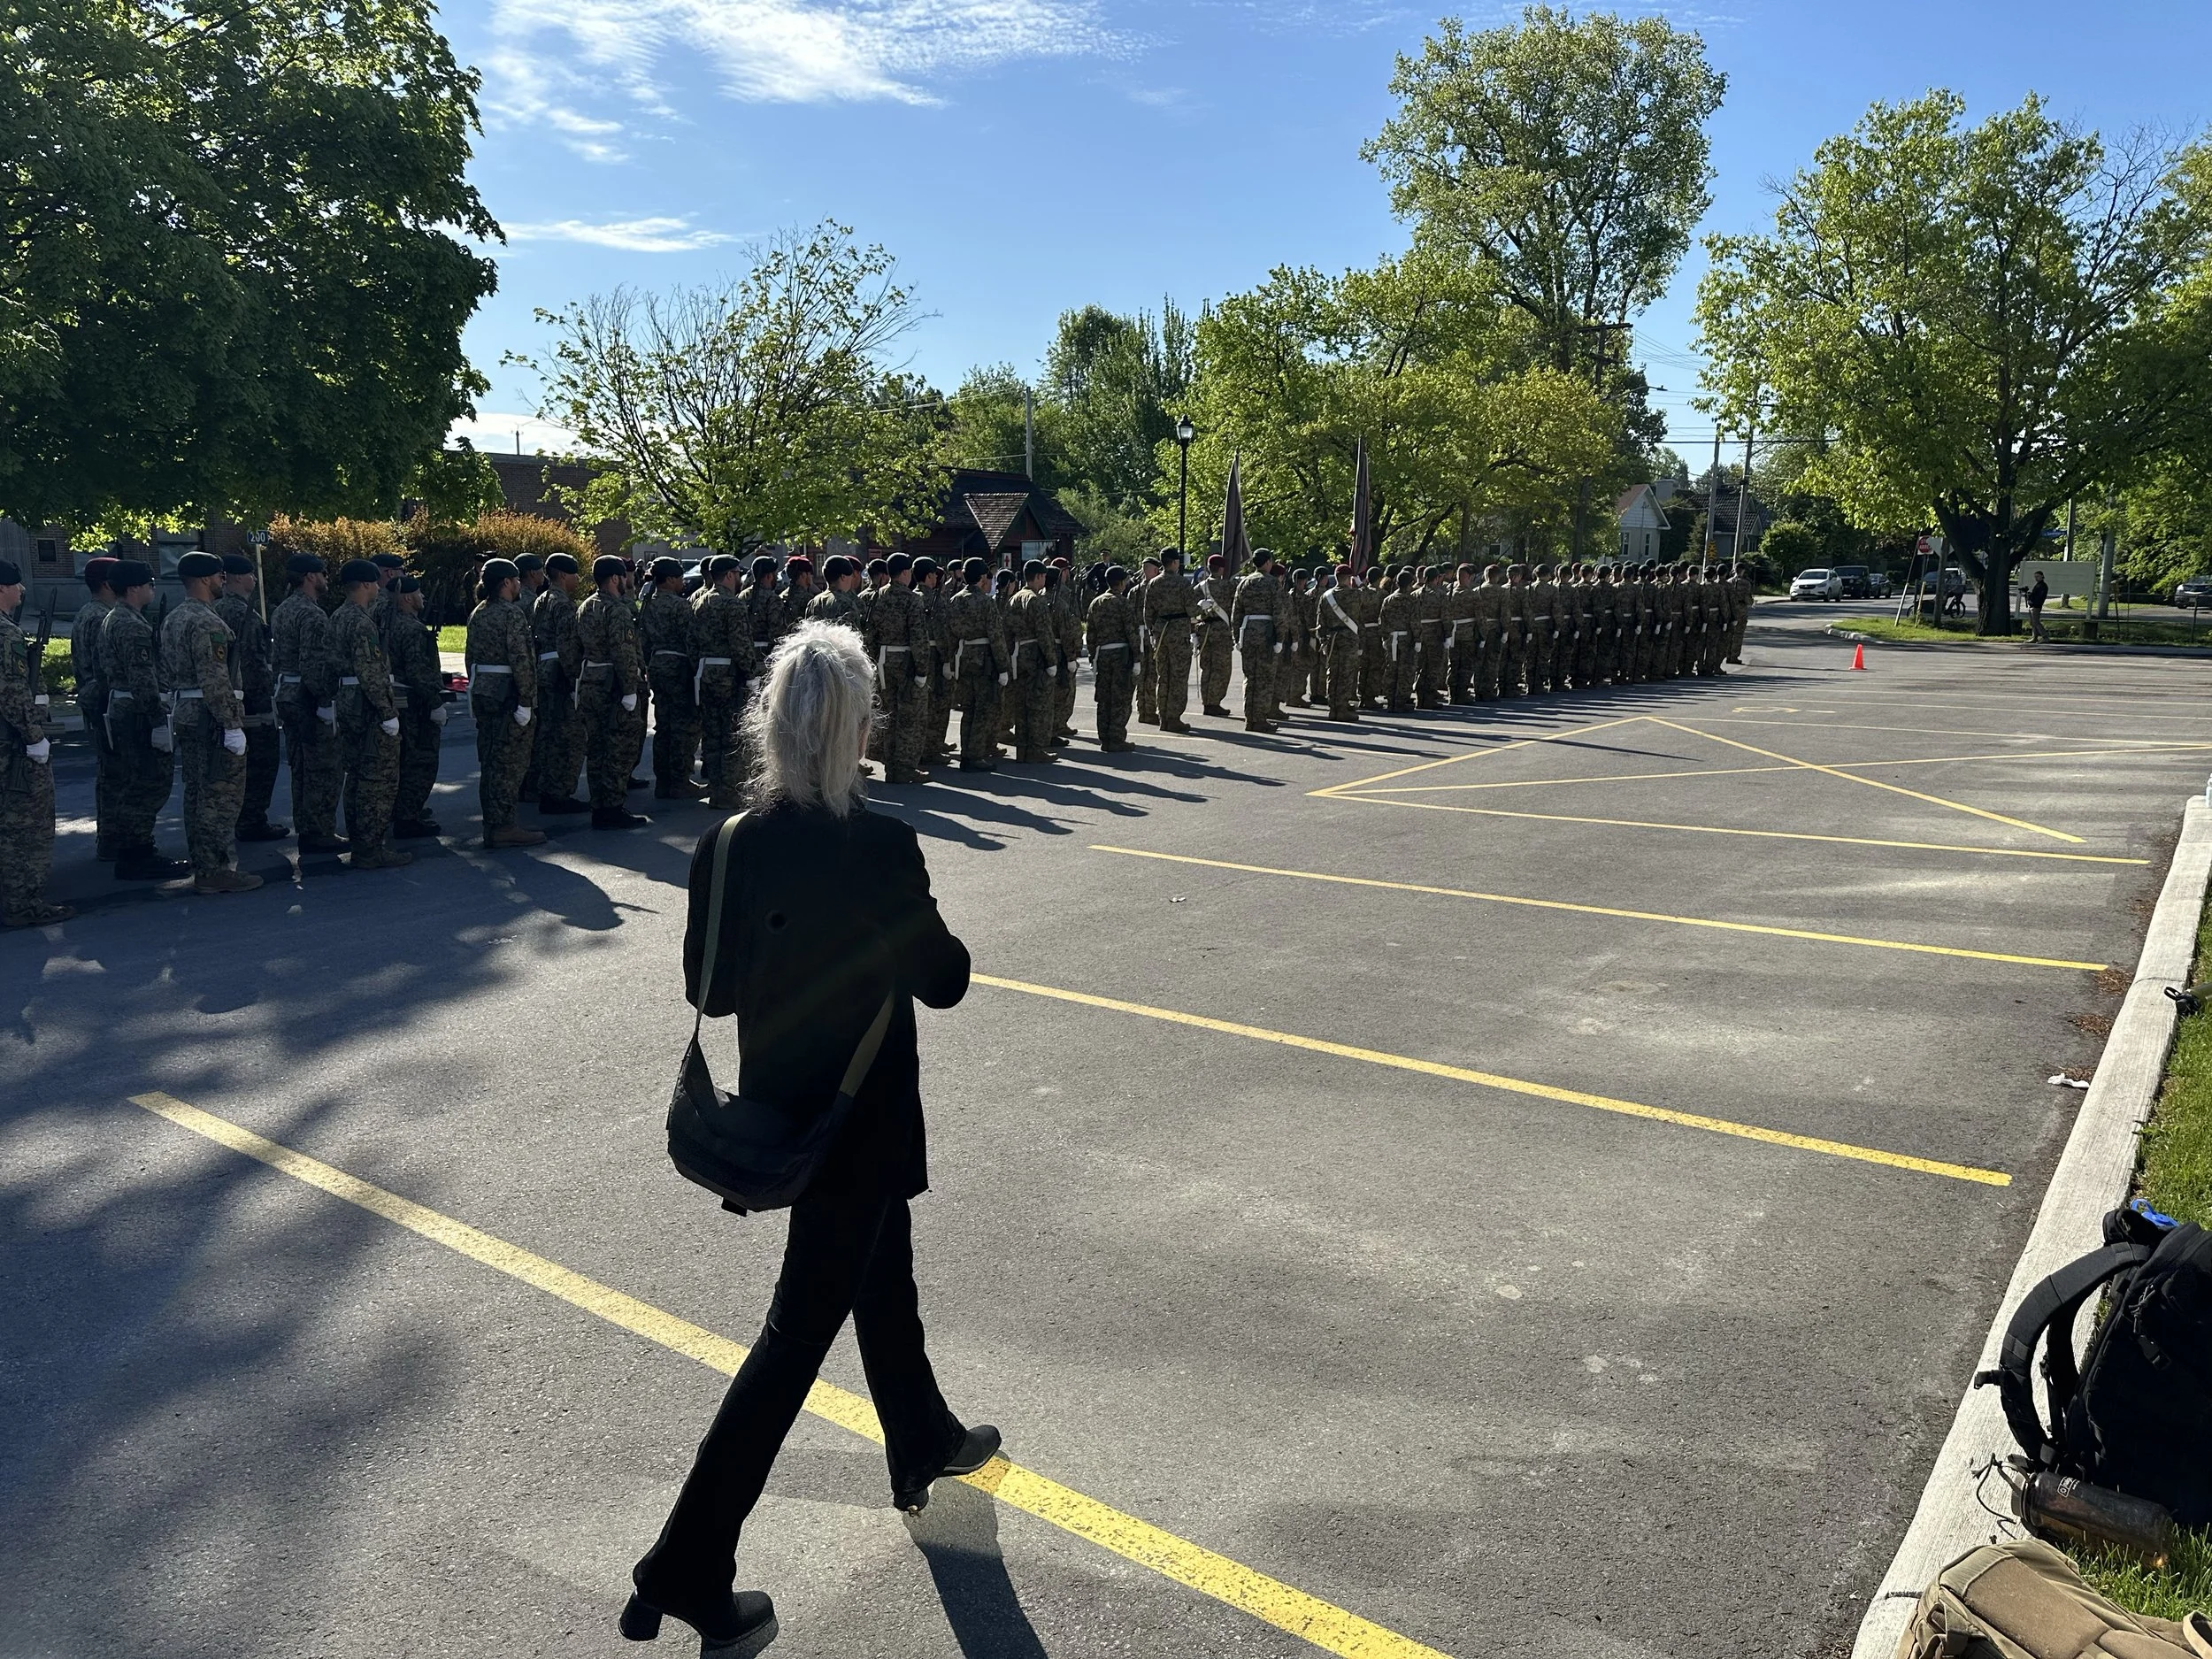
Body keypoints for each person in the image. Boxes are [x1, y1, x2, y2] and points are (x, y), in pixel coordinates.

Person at [624, 621, 995, 1655]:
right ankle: (687, 1566)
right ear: (854, 726)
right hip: (858, 1120)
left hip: (783, 1106)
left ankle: (920, 1436)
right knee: (792, 1343)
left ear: (773, 725)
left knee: (886, 1281)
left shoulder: (731, 841)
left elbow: (712, 988)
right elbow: (947, 980)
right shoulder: (878, 842)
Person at [161, 550, 262, 893]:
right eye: (219, 575)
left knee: (198, 794)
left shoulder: (175, 617)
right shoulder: (207, 622)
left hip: (191, 715)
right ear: (205, 579)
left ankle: (205, 863)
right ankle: (215, 869)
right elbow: (215, 678)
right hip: (211, 717)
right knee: (220, 797)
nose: (223, 580)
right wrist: (232, 725)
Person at [99, 561, 188, 879]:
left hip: (124, 709)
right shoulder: (131, 625)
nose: (153, 587)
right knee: (148, 783)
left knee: (134, 781)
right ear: (135, 587)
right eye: (150, 582)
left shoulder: (115, 618)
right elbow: (142, 678)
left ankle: (132, 847)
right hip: (138, 713)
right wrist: (156, 720)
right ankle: (136, 853)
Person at [1, 557, 71, 926]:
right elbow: (12, 691)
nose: (21, 590)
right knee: (26, 825)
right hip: (11, 744)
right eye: (15, 583)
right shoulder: (6, 633)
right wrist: (34, 738)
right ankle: (23, 903)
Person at [327, 559, 410, 870]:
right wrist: (388, 712)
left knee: (357, 775)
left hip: (348, 700)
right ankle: (370, 848)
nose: (377, 587)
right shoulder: (361, 622)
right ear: (363, 584)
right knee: (377, 778)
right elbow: (370, 671)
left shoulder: (337, 616)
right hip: (367, 703)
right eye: (374, 583)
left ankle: (360, 840)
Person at [465, 558, 546, 849]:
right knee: (509, 765)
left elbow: (470, 658)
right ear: (506, 583)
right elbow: (521, 659)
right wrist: (527, 699)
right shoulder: (511, 614)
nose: (518, 585)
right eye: (514, 580)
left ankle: (494, 823)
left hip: (485, 693)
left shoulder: (478, 613)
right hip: (508, 696)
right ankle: (504, 826)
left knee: (490, 761)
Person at [272, 552, 348, 854]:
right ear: (310, 577)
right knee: (323, 768)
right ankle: (319, 831)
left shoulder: (282, 610)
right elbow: (313, 664)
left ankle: (307, 826)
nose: (326, 578)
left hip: (288, 695)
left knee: (301, 768)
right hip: (307, 697)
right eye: (323, 573)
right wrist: (324, 699)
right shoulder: (312, 614)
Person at [213, 553, 288, 841]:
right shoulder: (242, 612)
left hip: (232, 695)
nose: (254, 579)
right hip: (251, 700)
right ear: (237, 578)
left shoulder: (218, 608)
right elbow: (253, 661)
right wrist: (265, 700)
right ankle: (252, 819)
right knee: (262, 762)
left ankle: (244, 818)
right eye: (249, 574)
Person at [577, 555, 649, 830]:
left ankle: (600, 805)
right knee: (620, 747)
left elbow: (575, 649)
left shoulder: (585, 606)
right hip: (614, 687)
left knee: (596, 749)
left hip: (591, 683)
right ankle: (612, 806)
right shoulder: (616, 609)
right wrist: (631, 690)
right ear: (616, 578)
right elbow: (623, 651)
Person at [388, 576, 448, 839]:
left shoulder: (388, 623)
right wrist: (435, 703)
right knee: (420, 761)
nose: (422, 597)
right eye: (418, 593)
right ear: (408, 598)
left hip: (400, 700)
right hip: (416, 704)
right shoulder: (412, 629)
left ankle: (400, 811)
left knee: (405, 760)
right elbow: (418, 672)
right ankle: (408, 817)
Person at [641, 556, 705, 800]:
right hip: (678, 666)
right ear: (669, 580)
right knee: (683, 726)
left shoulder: (647, 604)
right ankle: (680, 780)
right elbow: (691, 640)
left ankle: (663, 780)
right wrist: (697, 669)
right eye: (679, 578)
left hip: (657, 664)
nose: (682, 582)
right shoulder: (680, 606)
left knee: (663, 725)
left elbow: (644, 640)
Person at [72, 557, 122, 861]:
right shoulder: (101, 617)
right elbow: (104, 667)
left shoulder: (87, 614)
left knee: (109, 773)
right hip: (103, 701)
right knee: (115, 773)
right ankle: (115, 838)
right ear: (107, 584)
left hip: (93, 699)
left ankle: (110, 836)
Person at [531, 552, 588, 815]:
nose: (577, 579)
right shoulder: (564, 604)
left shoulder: (541, 600)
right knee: (569, 736)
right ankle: (558, 792)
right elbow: (567, 646)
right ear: (564, 575)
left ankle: (545, 787)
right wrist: (575, 677)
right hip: (559, 673)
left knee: (548, 733)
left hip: (543, 669)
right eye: (575, 574)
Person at [944, 557, 1008, 772]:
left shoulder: (956, 600)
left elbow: (950, 634)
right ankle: (975, 756)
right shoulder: (986, 603)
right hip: (983, 661)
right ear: (982, 578)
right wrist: (1003, 667)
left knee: (968, 710)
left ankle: (966, 753)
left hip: (963, 660)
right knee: (982, 710)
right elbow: (996, 637)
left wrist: (949, 661)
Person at [1003, 559, 1062, 764]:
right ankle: (1036, 749)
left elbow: (1007, 633)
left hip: (1019, 657)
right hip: (1035, 657)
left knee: (1021, 706)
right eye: (1044, 576)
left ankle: (1022, 749)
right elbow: (1044, 633)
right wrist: (1051, 661)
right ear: (1038, 576)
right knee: (1039, 706)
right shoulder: (1035, 600)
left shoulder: (1014, 599)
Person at [1231, 550, 1288, 732]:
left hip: (1247, 633)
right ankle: (1260, 719)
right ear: (1268, 562)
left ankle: (1250, 717)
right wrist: (1280, 638)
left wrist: (1237, 637)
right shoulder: (1272, 583)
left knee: (1251, 677)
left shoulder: (1244, 583)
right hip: (1266, 634)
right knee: (1264, 678)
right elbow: (1279, 613)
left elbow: (1236, 612)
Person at [1085, 565, 1141, 752]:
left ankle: (1105, 738)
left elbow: (1090, 634)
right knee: (1120, 698)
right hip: (1121, 656)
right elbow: (1131, 633)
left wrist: (1094, 655)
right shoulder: (1123, 603)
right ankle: (1116, 738)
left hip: (1103, 656)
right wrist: (1138, 658)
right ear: (1122, 582)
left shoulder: (1096, 603)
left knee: (1104, 698)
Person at [1142, 549, 1195, 733]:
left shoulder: (1153, 584)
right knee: (1178, 677)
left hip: (1161, 633)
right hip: (1179, 634)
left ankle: (1163, 716)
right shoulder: (1182, 583)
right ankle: (1173, 717)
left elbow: (1147, 612)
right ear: (1174, 563)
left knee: (1163, 676)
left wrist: (1152, 631)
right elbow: (1193, 610)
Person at [2027, 570, 2049, 643]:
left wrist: (2033, 600)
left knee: (2036, 622)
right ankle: (2034, 637)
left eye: (2038, 576)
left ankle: (2045, 637)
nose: (2036, 578)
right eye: (2035, 577)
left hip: (2036, 606)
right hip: (2032, 605)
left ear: (2042, 576)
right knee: (2032, 623)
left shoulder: (2043, 586)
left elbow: (2040, 597)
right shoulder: (2038, 585)